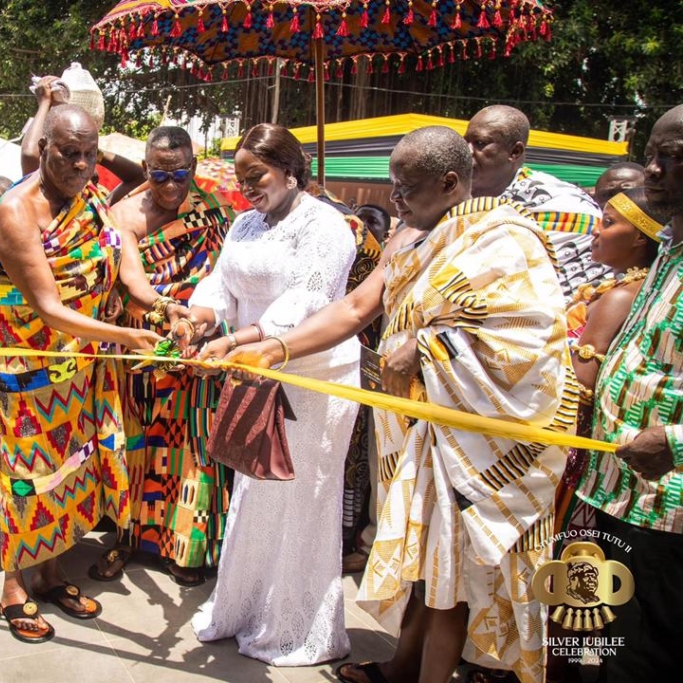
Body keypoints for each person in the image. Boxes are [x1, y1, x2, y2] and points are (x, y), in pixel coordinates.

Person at [229, 126, 576, 683]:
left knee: (452, 577)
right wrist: (275, 348)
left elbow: (527, 338)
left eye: (406, 188)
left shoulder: (504, 238)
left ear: (449, 181)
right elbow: (356, 309)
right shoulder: (413, 238)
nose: (394, 201)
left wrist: (428, 345)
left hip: (474, 443)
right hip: (418, 432)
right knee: (427, 567)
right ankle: (402, 665)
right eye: (392, 186)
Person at [179, 123, 360, 665]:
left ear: (288, 169)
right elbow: (222, 281)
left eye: (254, 175)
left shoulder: (326, 226)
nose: (246, 188)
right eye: (240, 179)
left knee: (301, 495)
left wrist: (241, 340)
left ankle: (294, 626)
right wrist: (202, 316)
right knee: (255, 489)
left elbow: (309, 298)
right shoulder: (245, 223)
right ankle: (243, 608)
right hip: (253, 370)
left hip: (312, 378)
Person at [0, 104, 166, 643]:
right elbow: (47, 306)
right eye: (69, 153)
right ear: (43, 147)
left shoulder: (90, 199)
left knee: (68, 472)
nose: (82, 165)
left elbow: (122, 263)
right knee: (26, 476)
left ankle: (50, 571)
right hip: (29, 372)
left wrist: (157, 307)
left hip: (82, 368)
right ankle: (13, 585)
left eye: (90, 155)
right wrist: (125, 336)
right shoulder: (16, 211)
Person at [87, 126, 234, 588]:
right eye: (159, 174)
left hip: (200, 340)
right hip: (143, 342)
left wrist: (199, 320)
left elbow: (229, 275)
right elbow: (131, 280)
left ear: (193, 166)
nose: (170, 186)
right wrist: (167, 310)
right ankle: (126, 537)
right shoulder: (124, 213)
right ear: (146, 169)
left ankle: (187, 546)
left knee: (193, 445)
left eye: (181, 174)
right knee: (138, 442)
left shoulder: (214, 211)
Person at [574, 104, 683, 682]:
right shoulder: (666, 252)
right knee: (609, 644)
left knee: (651, 653)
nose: (656, 170)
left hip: (670, 508)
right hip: (613, 490)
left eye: (674, 157)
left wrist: (675, 438)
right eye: (653, 156)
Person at [464, 104, 603, 296]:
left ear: (515, 152)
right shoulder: (452, 197)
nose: (467, 152)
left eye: (480, 143)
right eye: (465, 143)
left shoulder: (564, 204)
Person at [21, 75, 145, 204]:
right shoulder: (43, 201)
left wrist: (93, 152)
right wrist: (45, 103)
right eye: (70, 153)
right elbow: (30, 153)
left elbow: (140, 177)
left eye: (94, 179)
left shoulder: (98, 208)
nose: (81, 167)